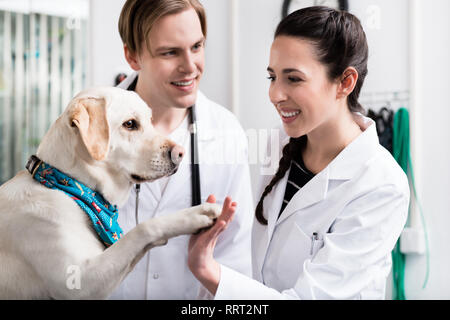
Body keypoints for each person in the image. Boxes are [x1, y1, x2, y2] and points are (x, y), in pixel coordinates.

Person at [188, 6, 410, 300]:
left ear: (345, 82)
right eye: (272, 77)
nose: (275, 94)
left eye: (293, 79)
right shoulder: (278, 143)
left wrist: (209, 271)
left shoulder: (381, 185)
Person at [109, 0, 254, 299]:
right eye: (170, 52)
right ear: (132, 56)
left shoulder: (226, 132)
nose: (190, 67)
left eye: (197, 47)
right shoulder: (95, 123)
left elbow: (235, 261)